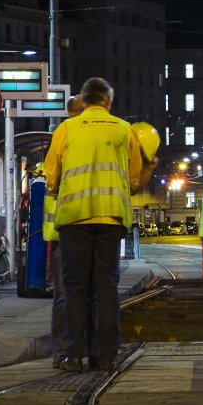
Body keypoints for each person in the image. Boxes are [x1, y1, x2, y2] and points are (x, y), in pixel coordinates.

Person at [44, 78, 156, 372]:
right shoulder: (124, 129)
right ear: (109, 101)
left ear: (83, 101)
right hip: (111, 217)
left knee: (75, 288)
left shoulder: (65, 129)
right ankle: (105, 355)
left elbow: (51, 180)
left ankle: (74, 355)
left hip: (74, 219)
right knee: (106, 288)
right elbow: (132, 181)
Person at [45, 98, 88, 369]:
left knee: (65, 295)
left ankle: (64, 350)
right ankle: (80, 349)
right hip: (73, 228)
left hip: (63, 230)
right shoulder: (68, 134)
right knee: (81, 293)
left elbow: (51, 181)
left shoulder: (62, 137)